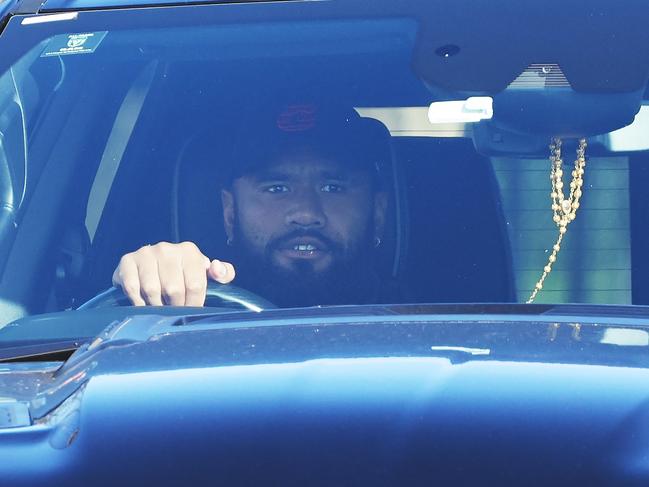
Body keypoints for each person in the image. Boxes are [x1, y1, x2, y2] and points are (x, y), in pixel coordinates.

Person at [112, 104, 397, 307]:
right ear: (230, 212)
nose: (306, 214)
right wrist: (153, 282)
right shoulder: (187, 312)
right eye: (277, 189)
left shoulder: (428, 318)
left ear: (379, 211)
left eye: (332, 188)